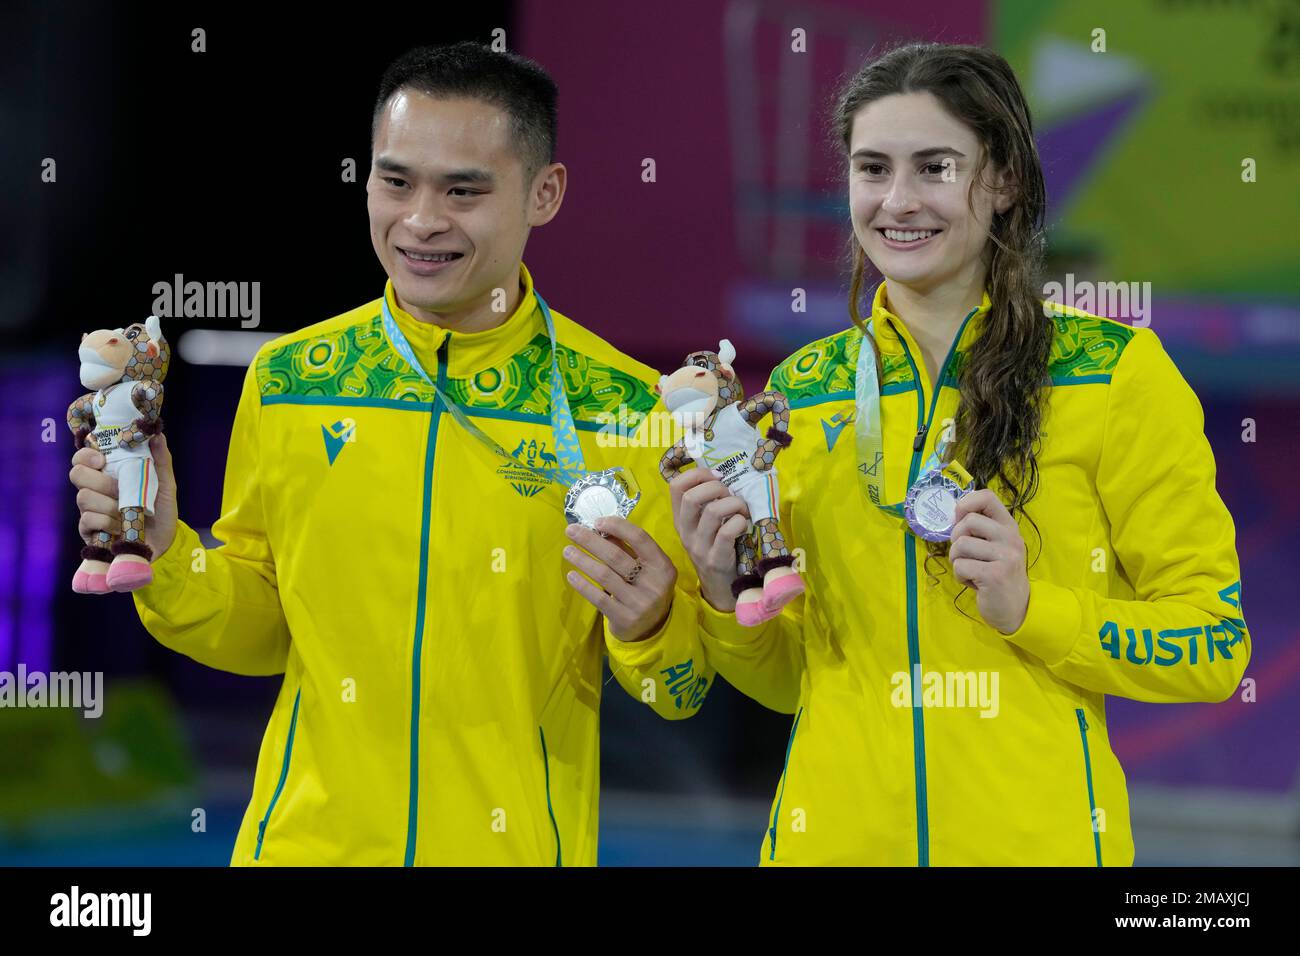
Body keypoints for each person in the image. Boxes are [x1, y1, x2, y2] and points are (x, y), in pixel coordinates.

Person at [68, 42, 713, 866]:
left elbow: (680, 690)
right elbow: (263, 630)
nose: (421, 221)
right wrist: (168, 550)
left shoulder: (628, 408)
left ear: (544, 194)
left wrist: (654, 626)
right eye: (395, 180)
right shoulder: (293, 378)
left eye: (463, 191)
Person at [670, 42, 1250, 866]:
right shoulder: (807, 389)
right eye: (872, 169)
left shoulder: (1113, 374)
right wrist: (725, 594)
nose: (897, 201)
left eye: (935, 167)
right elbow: (797, 675)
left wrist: (1030, 610)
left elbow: (1213, 648)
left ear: (1005, 179)